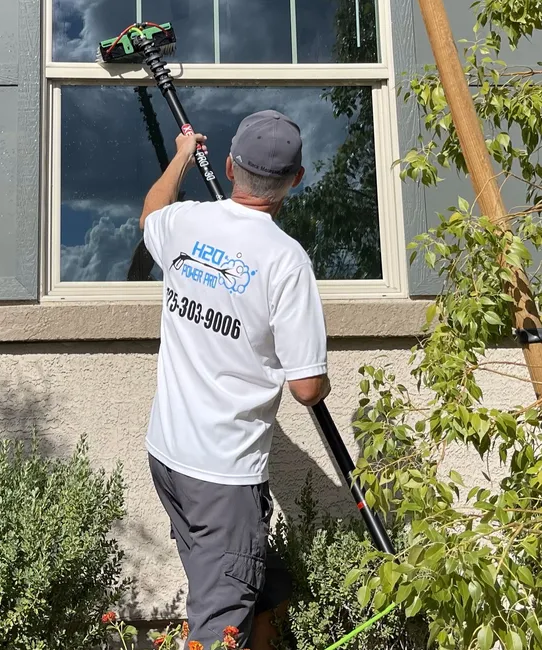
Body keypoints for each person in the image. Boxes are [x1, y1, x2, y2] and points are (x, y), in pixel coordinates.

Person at [140, 110, 330, 650]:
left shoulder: (186, 224)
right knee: (218, 626)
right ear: (296, 179)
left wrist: (180, 155)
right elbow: (307, 388)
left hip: (169, 456)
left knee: (256, 591)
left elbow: (151, 212)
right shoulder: (285, 261)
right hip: (222, 477)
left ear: (227, 166)